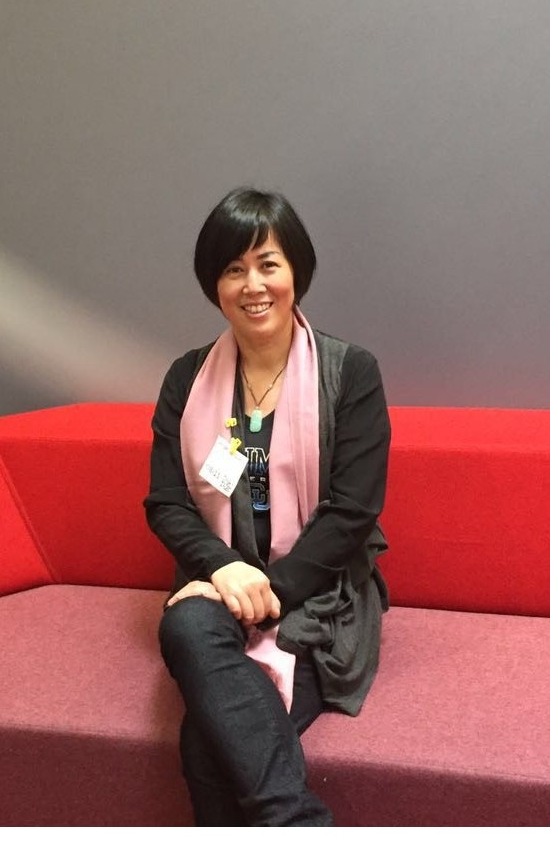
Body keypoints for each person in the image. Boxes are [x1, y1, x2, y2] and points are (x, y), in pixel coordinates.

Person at [143, 186, 391, 827]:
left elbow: (353, 512)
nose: (253, 285)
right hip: (220, 581)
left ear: (295, 271)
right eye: (233, 269)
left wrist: (270, 591)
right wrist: (222, 567)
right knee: (185, 626)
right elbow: (167, 501)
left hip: (319, 596)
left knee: (208, 744)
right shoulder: (187, 379)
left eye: (268, 264)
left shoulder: (350, 373)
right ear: (215, 284)